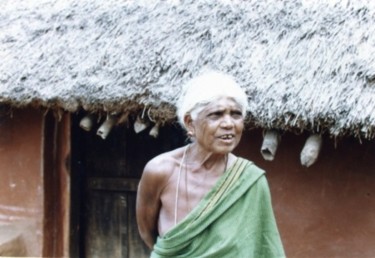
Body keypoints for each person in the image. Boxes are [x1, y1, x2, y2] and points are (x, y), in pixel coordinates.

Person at [136, 70, 285, 258]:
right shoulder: (160, 171)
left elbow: (263, 246)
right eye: (216, 115)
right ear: (190, 123)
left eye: (236, 114)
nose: (229, 124)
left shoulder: (250, 181)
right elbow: (146, 232)